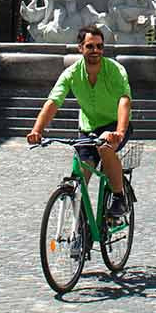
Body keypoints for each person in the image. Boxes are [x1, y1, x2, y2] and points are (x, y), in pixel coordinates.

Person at [26, 26, 134, 221]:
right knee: (79, 180)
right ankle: (80, 232)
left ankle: (119, 197)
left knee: (106, 148)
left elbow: (124, 100)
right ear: (80, 48)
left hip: (115, 125)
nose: (96, 51)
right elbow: (53, 102)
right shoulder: (72, 73)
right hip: (88, 128)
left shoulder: (115, 70)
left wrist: (118, 131)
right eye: (90, 46)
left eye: (100, 46)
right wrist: (37, 130)